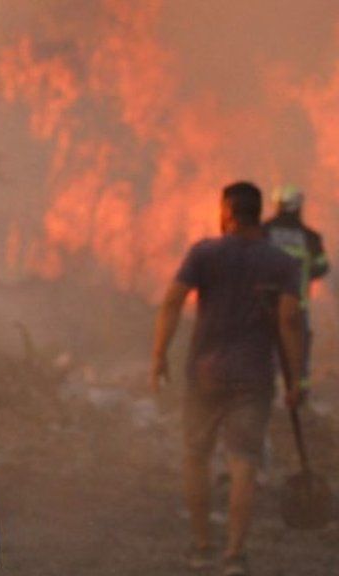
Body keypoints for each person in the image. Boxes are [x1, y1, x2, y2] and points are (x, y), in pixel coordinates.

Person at [151, 182, 305, 576]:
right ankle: (234, 556)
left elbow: (172, 301)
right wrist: (297, 380)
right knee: (244, 463)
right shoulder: (282, 262)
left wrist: (159, 355)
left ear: (228, 213)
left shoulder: (205, 253)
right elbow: (290, 321)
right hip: (254, 379)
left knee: (196, 458)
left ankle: (201, 547)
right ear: (258, 213)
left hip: (205, 376)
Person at [263, 184, 328, 383]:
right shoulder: (310, 237)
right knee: (298, 353)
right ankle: (298, 394)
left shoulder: (264, 231)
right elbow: (322, 267)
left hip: (265, 305)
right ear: (299, 206)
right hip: (297, 305)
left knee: (265, 351)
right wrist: (303, 274)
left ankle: (265, 396)